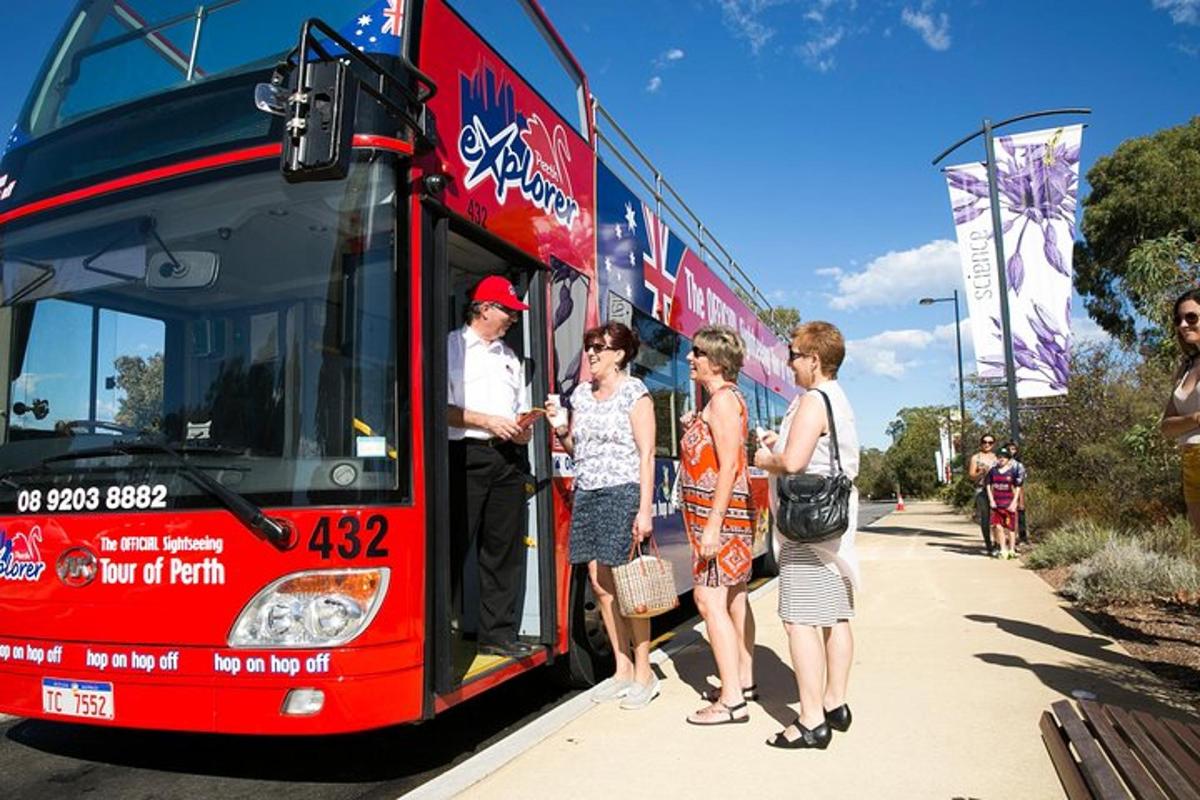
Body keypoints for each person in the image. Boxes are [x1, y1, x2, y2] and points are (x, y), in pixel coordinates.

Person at [754, 321, 859, 750]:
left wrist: (766, 456)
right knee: (836, 615)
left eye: (794, 354)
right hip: (836, 523)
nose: (789, 361)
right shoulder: (837, 399)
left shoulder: (813, 400)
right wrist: (785, 442)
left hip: (807, 526)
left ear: (814, 360)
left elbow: (794, 462)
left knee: (798, 620)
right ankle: (835, 703)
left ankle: (811, 719)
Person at [547, 322, 660, 710]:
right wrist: (560, 428)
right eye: (589, 346)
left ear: (620, 354)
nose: (592, 353)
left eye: (600, 347)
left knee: (628, 584)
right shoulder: (581, 393)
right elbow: (576, 447)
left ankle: (645, 674)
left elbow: (646, 455)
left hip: (622, 490)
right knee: (598, 582)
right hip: (589, 491)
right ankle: (622, 668)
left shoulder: (635, 392)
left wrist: (644, 510)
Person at [447, 275, 536, 659]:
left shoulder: (510, 358)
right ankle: (438, 634)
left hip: (508, 458)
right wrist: (486, 422)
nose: (513, 320)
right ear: (484, 309)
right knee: (451, 546)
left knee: (503, 550)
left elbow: (513, 410)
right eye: (508, 312)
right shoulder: (449, 347)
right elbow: (435, 408)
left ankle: (497, 635)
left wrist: (520, 430)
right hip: (465, 456)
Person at [679, 325, 757, 726]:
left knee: (709, 601)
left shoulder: (724, 401)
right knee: (734, 598)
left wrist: (712, 526)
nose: (690, 359)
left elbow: (728, 466)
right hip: (724, 516)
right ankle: (742, 680)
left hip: (719, 518)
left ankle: (731, 702)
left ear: (717, 362)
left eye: (697, 353)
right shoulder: (720, 402)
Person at [1161, 288, 1200, 537]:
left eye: (1191, 317)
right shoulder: (1186, 366)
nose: (1183, 324)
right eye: (1178, 320)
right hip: (1190, 458)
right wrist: (1195, 419)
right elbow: (1166, 426)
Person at [986, 446, 1023, 559]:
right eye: (1000, 457)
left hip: (1009, 503)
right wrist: (991, 500)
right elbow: (988, 485)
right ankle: (1003, 549)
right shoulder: (993, 471)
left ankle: (1011, 549)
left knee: (1010, 528)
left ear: (1008, 459)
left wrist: (1014, 502)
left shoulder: (1013, 471)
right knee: (998, 526)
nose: (1002, 459)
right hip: (997, 503)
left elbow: (1017, 487)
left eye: (1004, 457)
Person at [967, 433, 999, 555]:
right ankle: (988, 544)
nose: (987, 445)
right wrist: (980, 472)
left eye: (990, 442)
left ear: (993, 444)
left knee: (997, 517)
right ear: (981, 443)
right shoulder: (976, 458)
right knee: (986, 517)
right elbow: (971, 475)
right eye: (984, 442)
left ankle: (998, 543)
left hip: (996, 490)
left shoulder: (997, 457)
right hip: (982, 489)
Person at [1004, 440, 1029, 545]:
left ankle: (1022, 537)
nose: (1011, 451)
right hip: (1003, 493)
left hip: (1016, 491)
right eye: (1009, 449)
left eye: (1013, 449)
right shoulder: (1000, 463)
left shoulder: (1018, 465)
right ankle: (1006, 538)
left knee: (1020, 514)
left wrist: (1021, 499)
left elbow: (1020, 483)